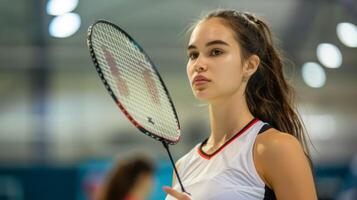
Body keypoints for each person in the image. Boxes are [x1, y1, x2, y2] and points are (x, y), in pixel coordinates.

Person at [163, 9, 318, 200]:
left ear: (250, 65)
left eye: (216, 52)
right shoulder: (183, 166)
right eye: (193, 55)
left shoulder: (276, 147)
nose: (199, 64)